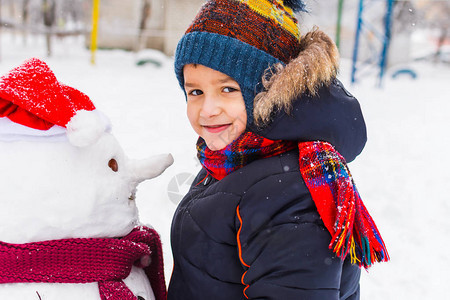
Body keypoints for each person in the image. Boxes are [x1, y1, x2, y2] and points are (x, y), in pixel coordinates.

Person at [168, 1, 389, 299]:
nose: (207, 110)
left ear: (268, 93)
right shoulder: (232, 161)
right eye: (195, 91)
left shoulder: (293, 192)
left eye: (228, 89)